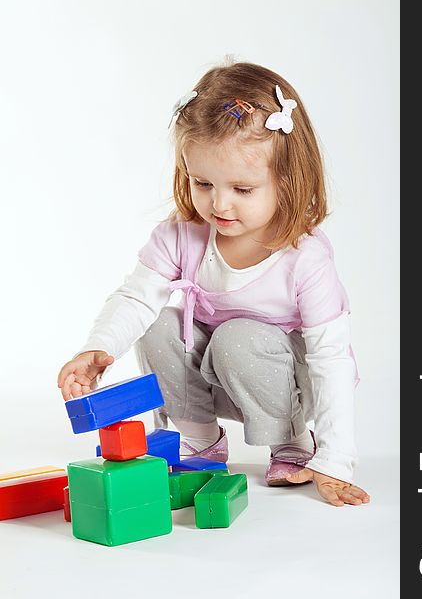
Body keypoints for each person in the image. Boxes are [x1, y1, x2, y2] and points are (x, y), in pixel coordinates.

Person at [57, 59, 370, 507]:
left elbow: (331, 359)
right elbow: (136, 296)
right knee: (160, 322)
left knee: (237, 336)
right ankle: (199, 439)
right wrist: (99, 347)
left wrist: (336, 460)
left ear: (288, 181)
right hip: (218, 378)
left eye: (242, 189)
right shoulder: (181, 235)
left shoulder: (305, 257)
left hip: (285, 388)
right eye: (202, 182)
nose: (218, 203)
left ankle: (293, 443)